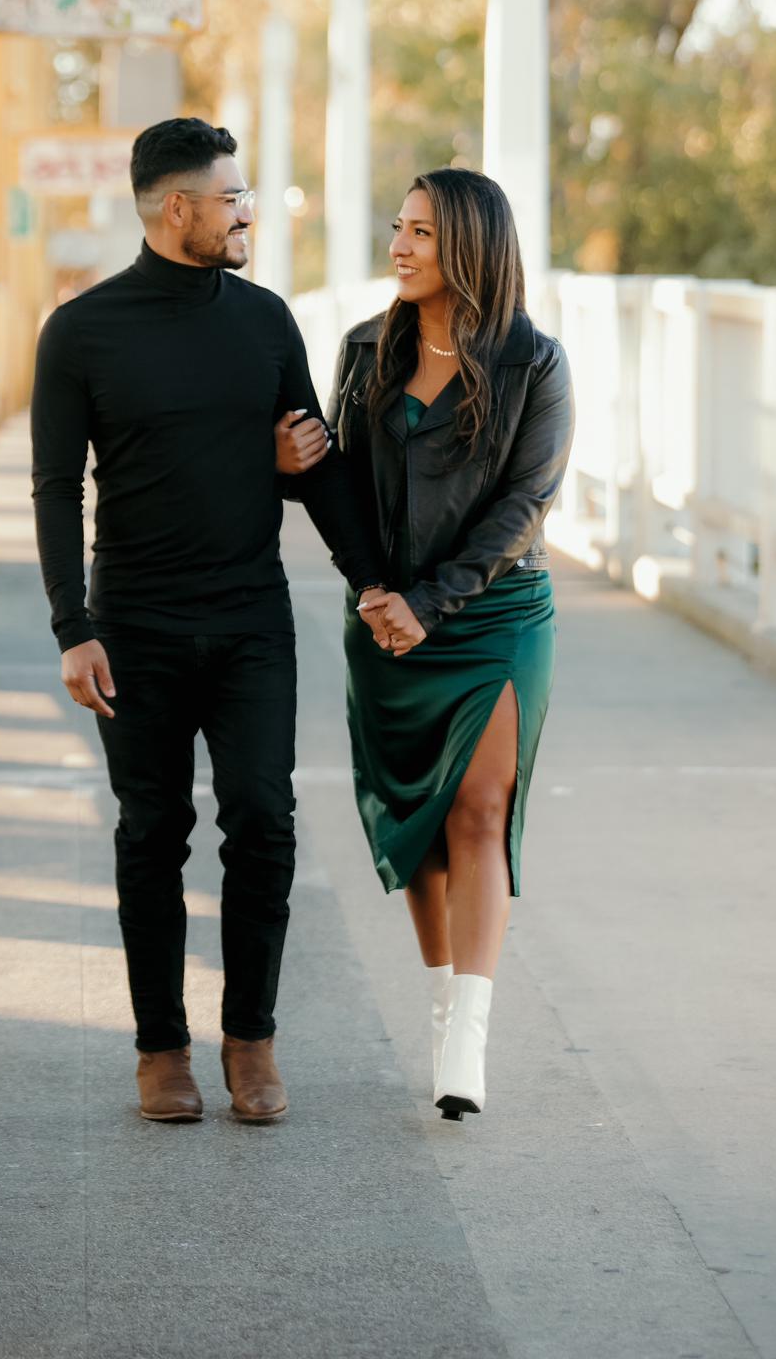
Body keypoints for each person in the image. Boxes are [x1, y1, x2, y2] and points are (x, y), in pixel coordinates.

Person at [30, 118, 387, 1125]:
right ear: (177, 207)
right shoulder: (81, 331)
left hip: (249, 619)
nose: (247, 215)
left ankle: (250, 1040)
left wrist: (371, 581)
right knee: (152, 831)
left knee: (263, 820)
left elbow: (313, 463)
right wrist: (72, 626)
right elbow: (56, 486)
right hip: (133, 625)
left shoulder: (267, 321)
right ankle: (160, 1049)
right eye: (233, 199)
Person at [329, 168, 574, 1121]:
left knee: (478, 811)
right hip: (386, 616)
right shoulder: (364, 351)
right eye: (399, 227)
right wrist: (376, 593)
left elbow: (525, 505)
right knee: (418, 819)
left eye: (421, 233)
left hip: (495, 613)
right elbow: (341, 489)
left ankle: (468, 1033)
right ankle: (441, 1001)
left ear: (470, 246)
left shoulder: (535, 364)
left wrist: (431, 603)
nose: (398, 245)